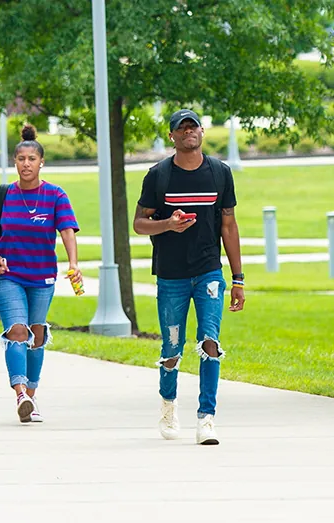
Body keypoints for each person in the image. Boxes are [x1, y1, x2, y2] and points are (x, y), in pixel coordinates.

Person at [134, 109, 245, 446]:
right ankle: (168, 405)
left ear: (202, 132)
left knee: (210, 342)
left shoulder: (220, 173)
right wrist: (167, 224)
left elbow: (228, 224)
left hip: (209, 271)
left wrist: (238, 278)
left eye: (193, 127)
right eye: (181, 129)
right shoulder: (158, 176)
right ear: (172, 137)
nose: (188, 133)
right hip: (171, 275)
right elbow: (139, 223)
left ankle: (206, 419)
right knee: (172, 348)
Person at [0, 124, 81, 425]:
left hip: (42, 277)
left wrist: (73, 263)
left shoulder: (55, 195)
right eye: (21, 159)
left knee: (36, 335)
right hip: (8, 275)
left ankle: (32, 396)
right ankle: (21, 393)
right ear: (15, 162)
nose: (26, 164)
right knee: (18, 330)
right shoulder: (3, 194)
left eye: (31, 159)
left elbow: (67, 231)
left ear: (41, 162)